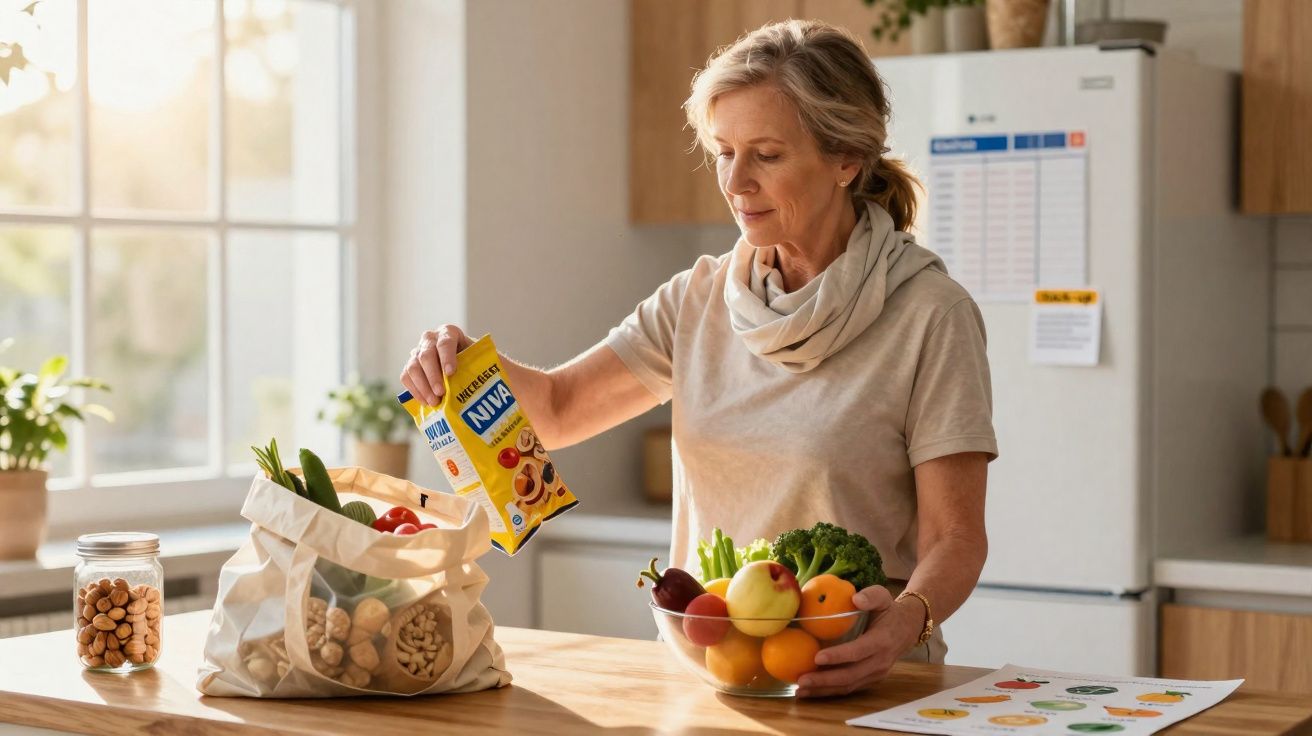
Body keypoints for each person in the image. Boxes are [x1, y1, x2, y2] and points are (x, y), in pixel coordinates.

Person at [400, 19, 996, 697]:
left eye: (767, 154)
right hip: (718, 677)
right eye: (722, 151)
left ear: (846, 159)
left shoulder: (929, 314)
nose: (736, 181)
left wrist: (904, 623)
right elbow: (560, 411)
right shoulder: (700, 298)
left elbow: (957, 538)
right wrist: (464, 362)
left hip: (860, 681)